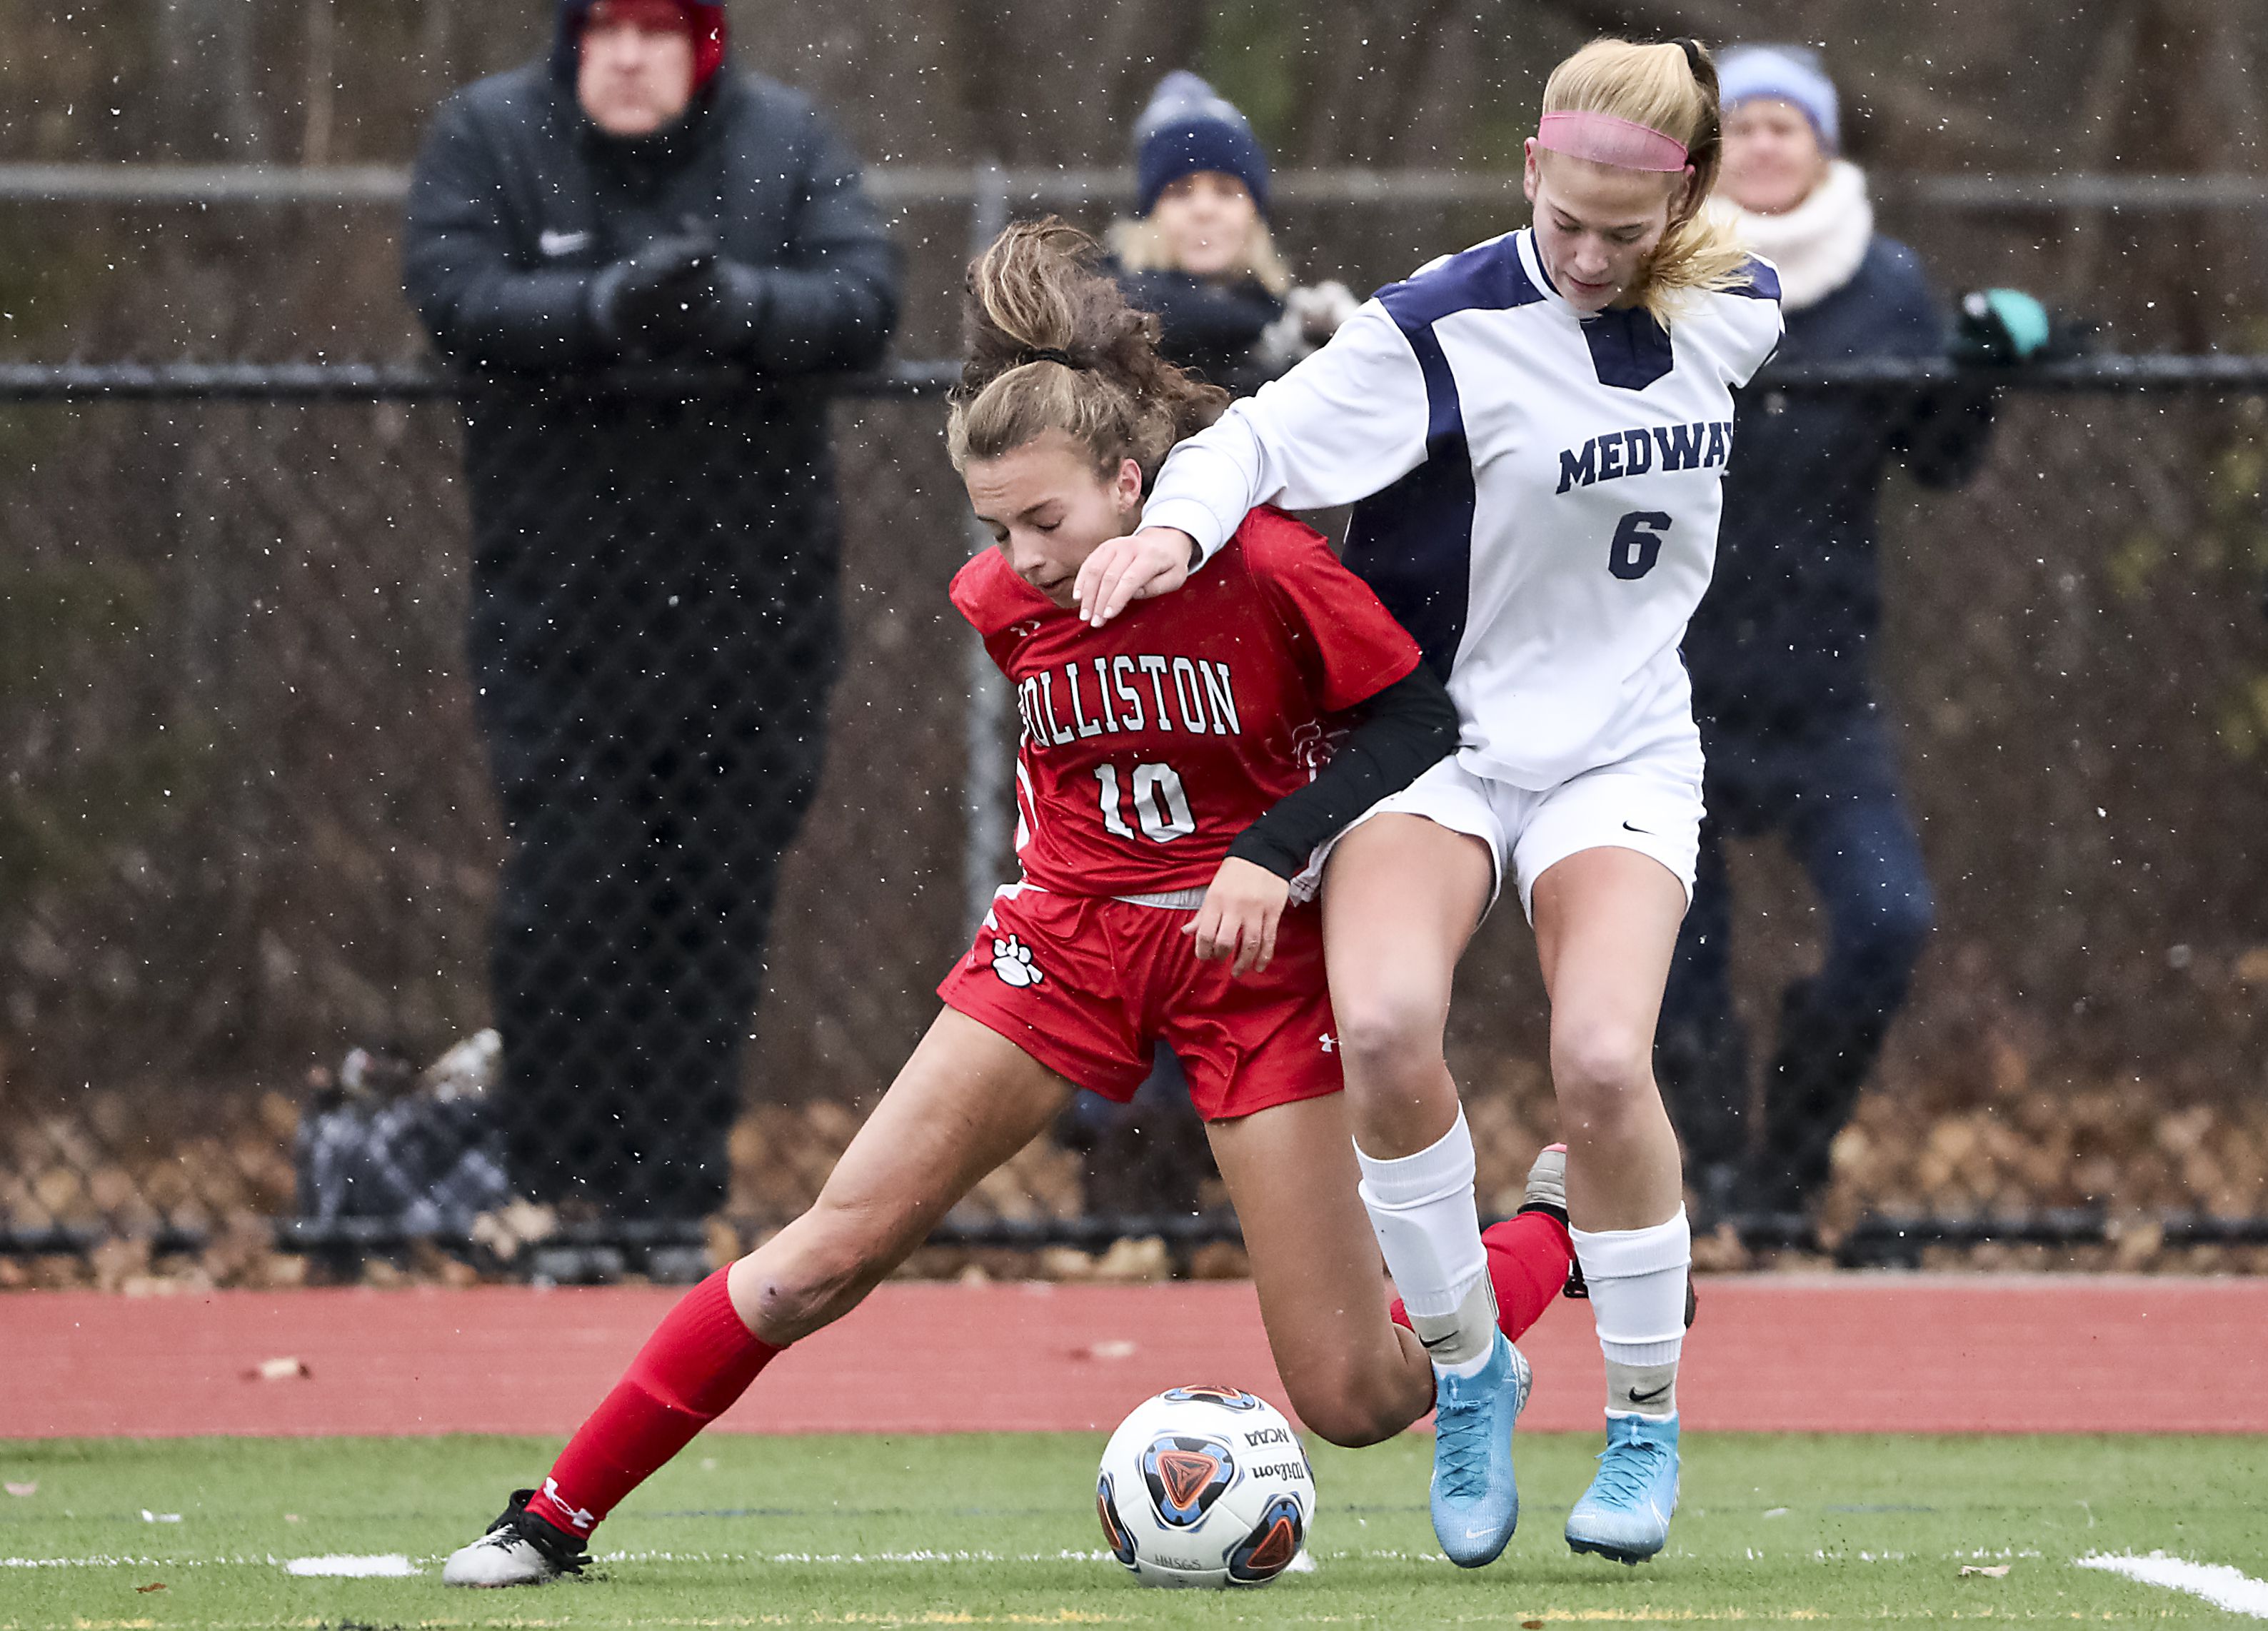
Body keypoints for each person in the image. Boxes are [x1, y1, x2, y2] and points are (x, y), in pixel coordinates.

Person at [438, 219, 1579, 1588]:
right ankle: (554, 1511)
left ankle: (1556, 1234)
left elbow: (1411, 718)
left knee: (1354, 1395)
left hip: (1250, 959)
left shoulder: (1267, 565)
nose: (1023, 554)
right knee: (824, 1253)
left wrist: (1271, 850)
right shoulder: (1001, 598)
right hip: (1069, 949)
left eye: (1047, 518)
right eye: (996, 526)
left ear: (1131, 477)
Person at [1070, 39, 1782, 1567]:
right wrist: (1175, 535)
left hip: (1621, 749)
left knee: (1600, 1059)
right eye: (1565, 218)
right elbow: (1256, 437)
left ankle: (1644, 1411)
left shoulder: (1733, 302)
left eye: (1623, 230)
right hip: (1435, 740)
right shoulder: (1437, 324)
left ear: (1682, 200)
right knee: (1389, 1029)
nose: (1588, 258)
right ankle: (1469, 1369)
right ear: (1528, 166)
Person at [401, 0, 900, 1225]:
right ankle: (559, 1190)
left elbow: (862, 299)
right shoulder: (489, 135)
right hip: (556, 615)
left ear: (703, 45)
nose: (627, 55)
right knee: (572, 886)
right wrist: (601, 310)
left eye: (656, 29)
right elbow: (456, 295)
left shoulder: (787, 141)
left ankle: (671, 1201)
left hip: (757, 620)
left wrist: (735, 307)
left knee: (715, 897)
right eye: (604, 27)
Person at [1657, 45, 1997, 1228]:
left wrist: (1978, 373)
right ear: (1711, 156)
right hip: (1671, 689)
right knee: (1669, 961)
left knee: (1886, 920)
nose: (1761, 145)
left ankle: (1788, 1167)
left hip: (1822, 692)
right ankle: (1703, 1181)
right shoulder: (1663, 274)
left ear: (1821, 148)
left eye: (1782, 127)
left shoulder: (1886, 283)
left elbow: (1940, 455)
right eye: (1739, 127)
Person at [1105, 71, 1358, 383]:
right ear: (1150, 214)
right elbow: (1172, 317)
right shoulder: (1104, 310)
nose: (1204, 210)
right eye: (1181, 192)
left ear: (1254, 212)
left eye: (1226, 192)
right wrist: (1273, 325)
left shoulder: (1292, 326)